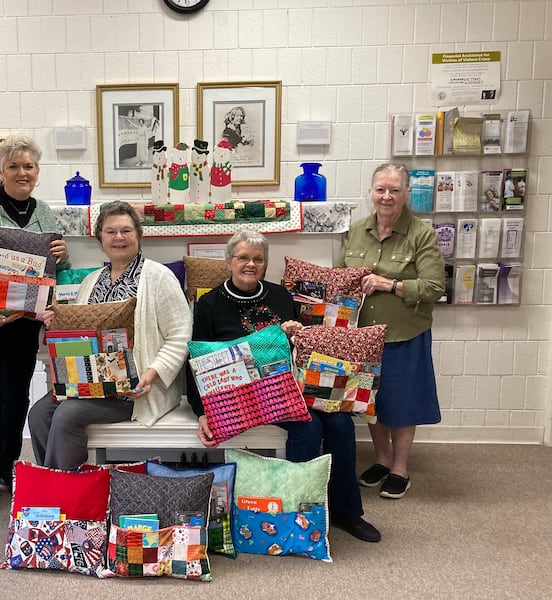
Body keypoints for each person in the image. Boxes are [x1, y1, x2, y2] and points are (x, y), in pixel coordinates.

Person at [187, 229, 381, 543]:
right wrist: (201, 411)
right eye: (242, 258)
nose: (250, 264)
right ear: (229, 261)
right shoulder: (209, 304)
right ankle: (293, 510)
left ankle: (347, 511)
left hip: (284, 387)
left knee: (341, 422)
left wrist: (293, 334)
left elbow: (295, 353)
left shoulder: (280, 296)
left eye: (257, 259)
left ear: (265, 264)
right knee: (308, 427)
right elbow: (194, 360)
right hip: (240, 397)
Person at [29, 201, 191, 471]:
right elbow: (78, 336)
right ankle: (54, 483)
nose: (119, 238)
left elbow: (180, 336)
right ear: (100, 238)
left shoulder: (159, 277)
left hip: (135, 392)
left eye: (126, 231)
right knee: (39, 414)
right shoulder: (91, 281)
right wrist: (57, 323)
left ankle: (67, 495)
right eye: (110, 231)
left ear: (139, 235)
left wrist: (149, 376)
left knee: (68, 415)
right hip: (90, 383)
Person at [0, 134, 70, 512]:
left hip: (25, 321)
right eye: (14, 166)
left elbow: (55, 269)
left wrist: (63, 254)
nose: (22, 172)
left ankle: (8, 466)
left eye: (29, 166)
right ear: (1, 171)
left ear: (37, 173)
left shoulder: (45, 212)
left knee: (17, 396)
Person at [337, 162, 445, 499]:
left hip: (403, 333)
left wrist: (390, 283)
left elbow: (433, 287)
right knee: (370, 401)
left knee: (402, 403)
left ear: (406, 194)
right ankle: (381, 459)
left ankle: (400, 468)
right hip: (363, 336)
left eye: (394, 190)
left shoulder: (421, 235)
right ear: (371, 193)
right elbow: (342, 275)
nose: (386, 196)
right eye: (381, 189)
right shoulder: (355, 231)